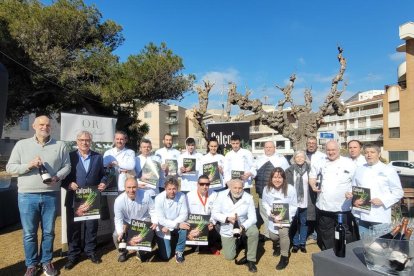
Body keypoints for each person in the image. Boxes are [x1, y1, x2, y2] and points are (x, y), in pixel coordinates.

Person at [6, 115, 71, 276]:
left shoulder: (60, 145)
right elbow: (10, 168)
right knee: (29, 233)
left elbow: (67, 166)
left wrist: (58, 176)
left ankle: (46, 262)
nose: (45, 127)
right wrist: (29, 165)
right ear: (34, 126)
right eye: (41, 124)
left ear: (51, 128)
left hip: (50, 194)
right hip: (27, 196)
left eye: (48, 125)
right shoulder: (22, 145)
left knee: (49, 232)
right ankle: (31, 265)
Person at [62, 131, 108, 269]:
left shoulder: (98, 157)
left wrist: (103, 183)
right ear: (77, 141)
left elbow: (104, 175)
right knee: (74, 229)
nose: (84, 142)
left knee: (91, 227)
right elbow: (62, 177)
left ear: (91, 142)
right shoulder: (69, 157)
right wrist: (68, 184)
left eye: (87, 140)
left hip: (91, 198)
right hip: (74, 199)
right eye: (81, 140)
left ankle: (90, 251)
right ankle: (73, 255)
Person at [309, 140, 357, 250]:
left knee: (345, 232)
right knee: (326, 233)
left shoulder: (349, 163)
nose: (331, 152)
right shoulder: (320, 162)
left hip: (343, 207)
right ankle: (329, 254)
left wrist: (352, 193)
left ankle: (347, 253)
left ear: (338, 150)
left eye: (333, 150)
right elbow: (312, 177)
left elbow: (357, 183)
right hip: (324, 206)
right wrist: (313, 186)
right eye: (328, 150)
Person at [347, 143, 403, 235]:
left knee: (381, 246)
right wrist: (350, 193)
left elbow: (398, 192)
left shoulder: (388, 170)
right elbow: (354, 187)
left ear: (379, 154)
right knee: (366, 245)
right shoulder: (359, 169)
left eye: (372, 152)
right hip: (362, 215)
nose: (369, 155)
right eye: (366, 152)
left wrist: (383, 200)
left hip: (380, 216)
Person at [212, 179, 259, 273]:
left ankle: (250, 260)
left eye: (240, 188)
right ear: (230, 187)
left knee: (254, 231)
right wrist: (227, 218)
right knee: (229, 256)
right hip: (227, 227)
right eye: (235, 188)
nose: (237, 190)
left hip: (243, 225)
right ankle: (240, 242)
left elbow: (253, 218)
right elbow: (214, 213)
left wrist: (243, 226)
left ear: (243, 188)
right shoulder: (221, 195)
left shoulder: (248, 197)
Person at [113, 177, 157, 262]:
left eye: (134, 187)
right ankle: (123, 252)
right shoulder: (118, 201)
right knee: (115, 235)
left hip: (143, 219)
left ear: (137, 186)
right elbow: (118, 219)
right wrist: (120, 232)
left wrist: (155, 221)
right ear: (124, 188)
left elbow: (153, 210)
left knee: (150, 231)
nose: (131, 190)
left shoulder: (146, 195)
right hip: (127, 221)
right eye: (128, 187)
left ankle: (142, 251)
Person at [262, 167, 297, 270]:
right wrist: (270, 213)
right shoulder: (266, 189)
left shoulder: (290, 188)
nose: (277, 180)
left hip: (285, 216)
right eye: (275, 177)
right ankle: (277, 245)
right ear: (271, 178)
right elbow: (264, 202)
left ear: (284, 178)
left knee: (283, 234)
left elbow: (294, 205)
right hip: (273, 216)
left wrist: (286, 217)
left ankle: (284, 257)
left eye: (280, 177)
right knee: (273, 236)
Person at [254, 141, 289, 241]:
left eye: (270, 147)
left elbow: (286, 175)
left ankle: (278, 233)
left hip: (276, 192)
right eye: (266, 147)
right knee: (264, 213)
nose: (268, 149)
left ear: (274, 148)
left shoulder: (281, 159)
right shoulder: (259, 159)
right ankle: (267, 233)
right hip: (261, 192)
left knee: (276, 213)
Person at [154, 177, 189, 263]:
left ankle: (179, 251)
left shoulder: (182, 196)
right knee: (166, 256)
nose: (172, 191)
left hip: (172, 225)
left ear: (177, 188)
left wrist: (171, 226)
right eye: (169, 189)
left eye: (174, 189)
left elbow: (184, 214)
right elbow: (161, 219)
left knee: (184, 227)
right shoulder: (158, 198)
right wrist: (175, 225)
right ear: (165, 188)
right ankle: (158, 241)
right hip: (163, 227)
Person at [285, 150, 312, 254]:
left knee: (304, 222)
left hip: (306, 200)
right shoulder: (289, 170)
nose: (300, 159)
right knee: (294, 223)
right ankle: (295, 244)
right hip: (293, 201)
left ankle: (302, 243)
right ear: (294, 159)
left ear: (305, 158)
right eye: (297, 157)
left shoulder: (310, 170)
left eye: (302, 157)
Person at [186, 175, 220, 254]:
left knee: (217, 226)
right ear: (197, 184)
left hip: (208, 223)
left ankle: (211, 244)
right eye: (202, 184)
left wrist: (212, 222)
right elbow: (186, 213)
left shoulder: (214, 195)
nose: (205, 187)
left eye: (207, 184)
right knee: (196, 249)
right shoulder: (189, 195)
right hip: (194, 224)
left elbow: (216, 212)